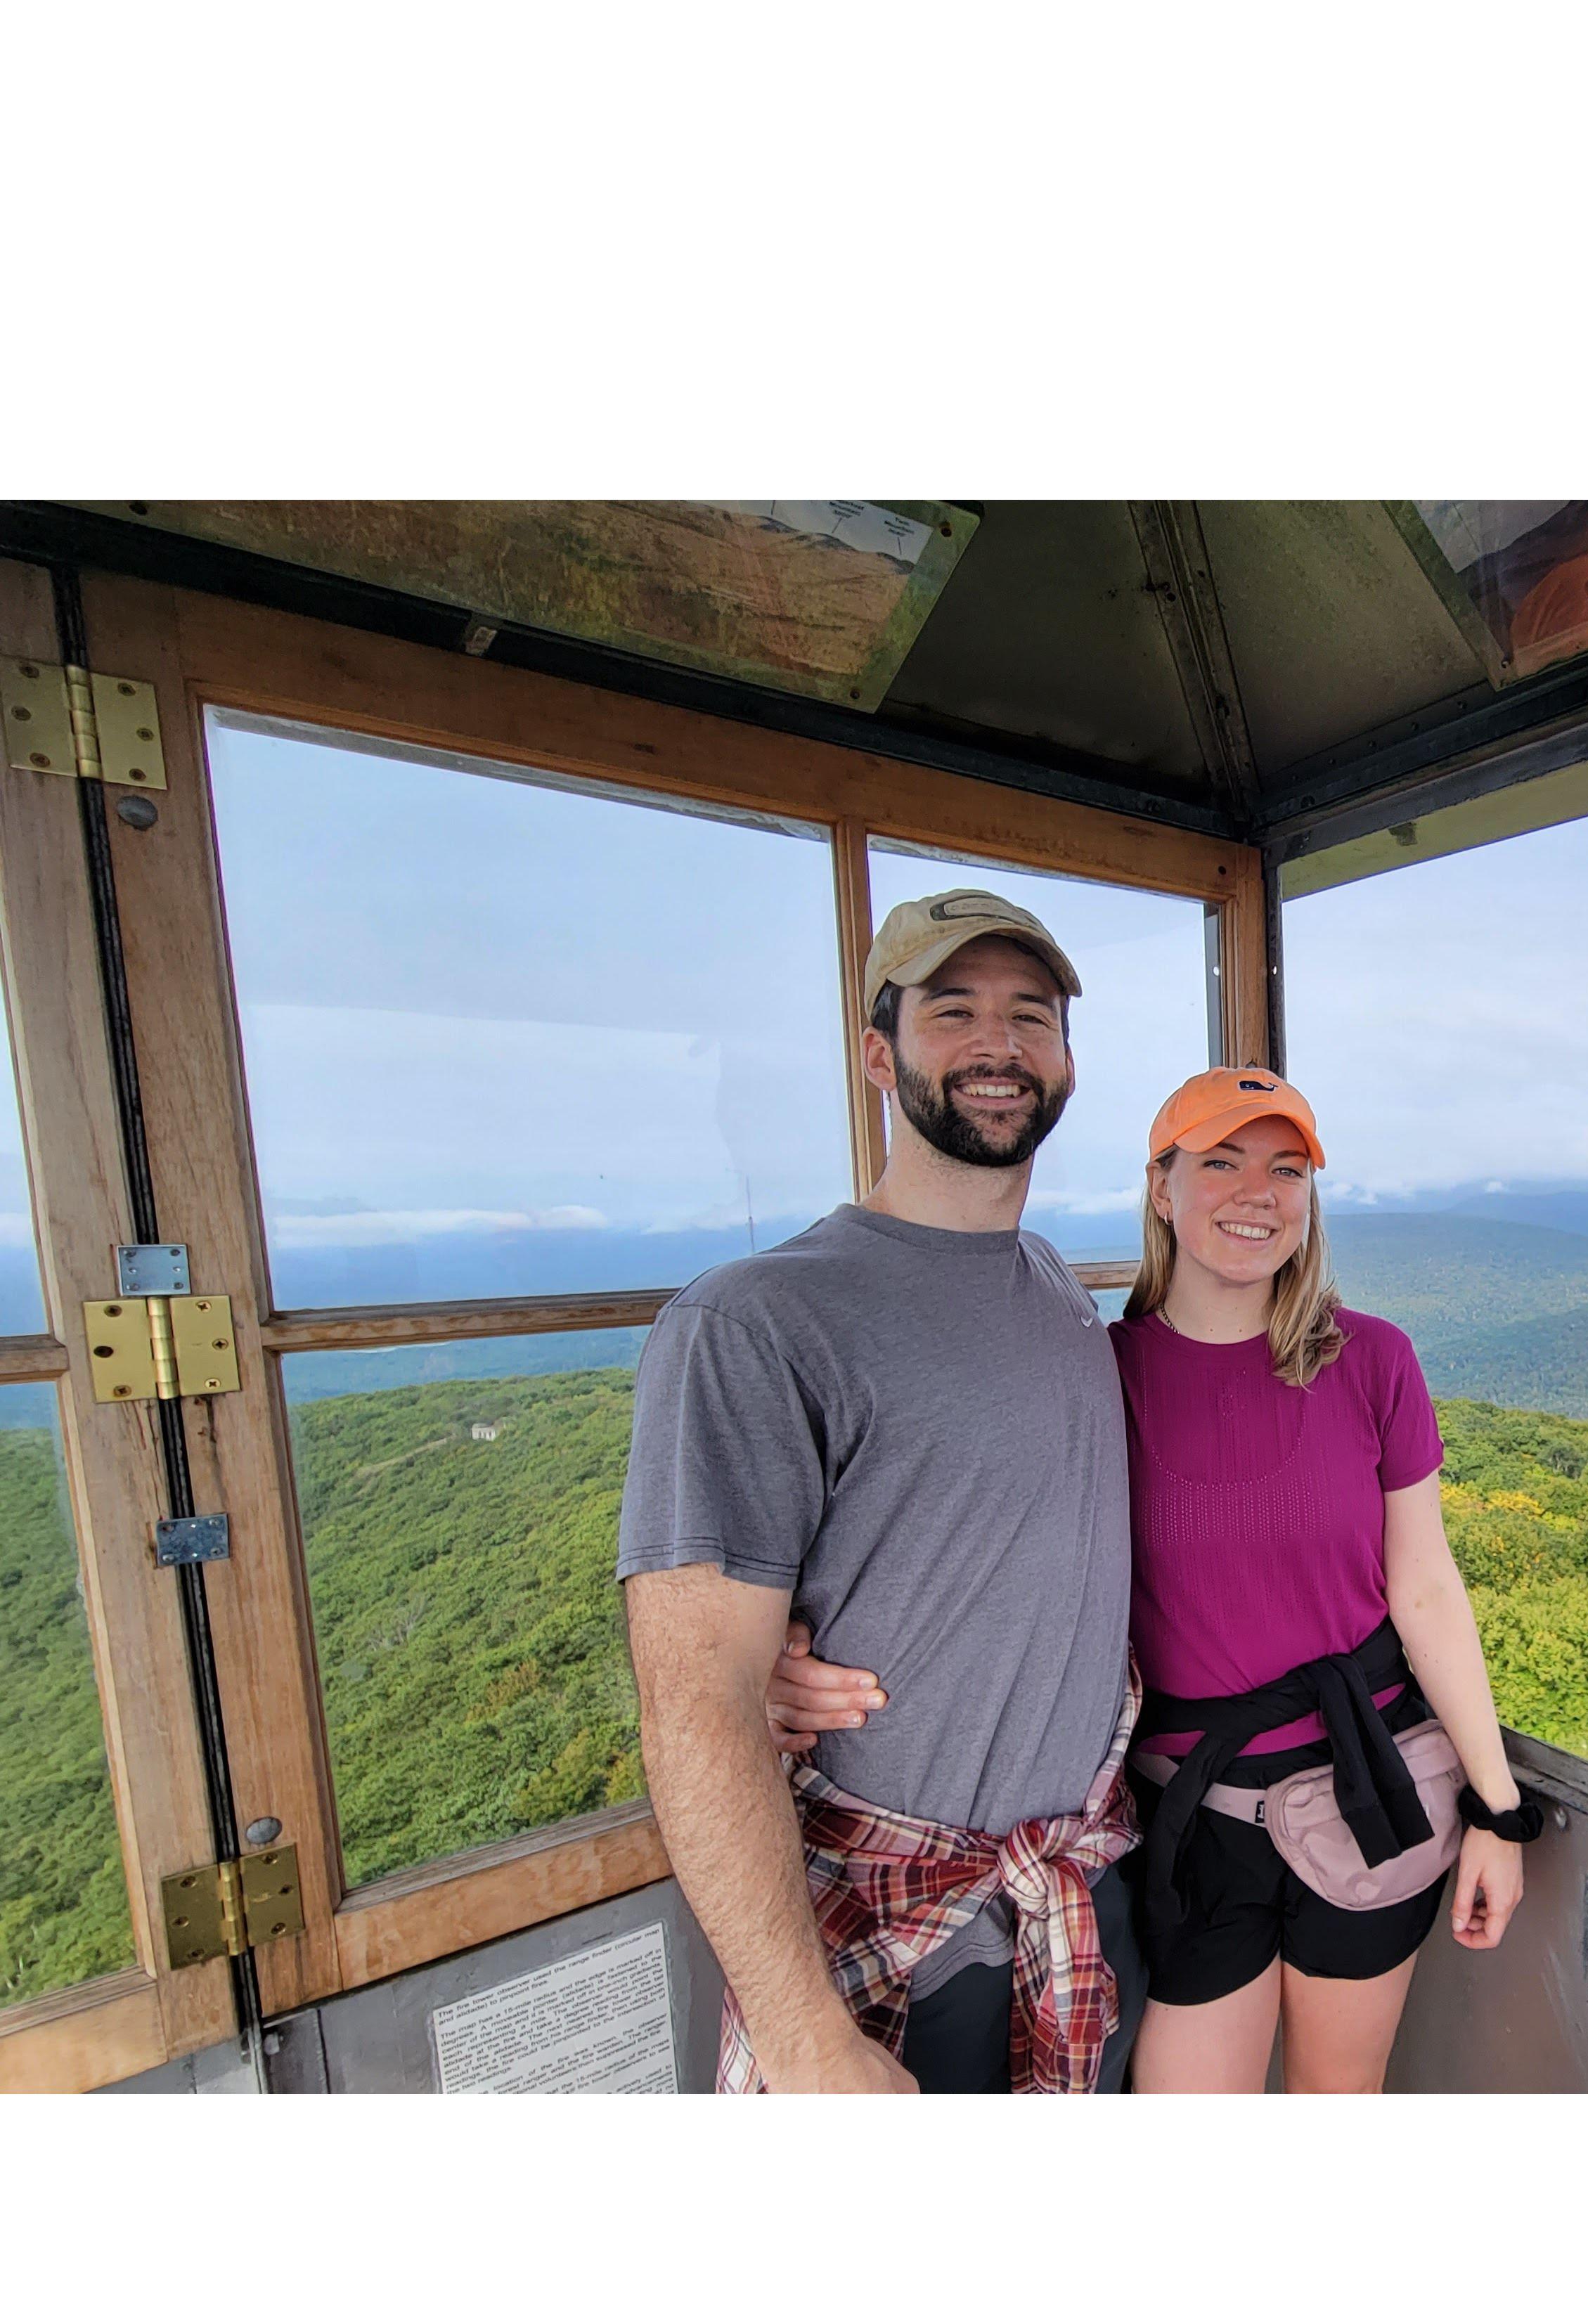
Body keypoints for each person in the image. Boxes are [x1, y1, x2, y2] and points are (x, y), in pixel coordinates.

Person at [768, 1064, 1541, 2091]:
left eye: (1285, 1168)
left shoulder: (1373, 1362)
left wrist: (1497, 1812)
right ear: (1161, 1190)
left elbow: (1427, 1589)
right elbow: (970, 1537)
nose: (1255, 1193)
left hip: (1373, 1792)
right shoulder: (1093, 1369)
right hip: (1190, 1821)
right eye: (1219, 1162)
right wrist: (786, 1652)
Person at [617, 887, 1143, 2094]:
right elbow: (692, 1696)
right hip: (896, 1954)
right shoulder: (754, 1321)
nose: (999, 1047)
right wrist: (802, 2036)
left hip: (1075, 1903)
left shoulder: (1055, 1284)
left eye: (1031, 1017)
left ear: (1065, 1060)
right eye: (952, 1011)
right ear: (877, 1051)